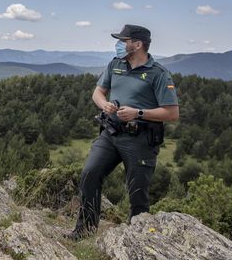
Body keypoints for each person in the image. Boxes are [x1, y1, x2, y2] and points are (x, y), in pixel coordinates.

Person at [67, 24, 180, 240]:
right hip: (111, 133)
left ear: (137, 45)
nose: (119, 44)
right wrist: (104, 105)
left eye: (123, 40)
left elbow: (172, 113)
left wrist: (138, 113)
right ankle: (85, 231)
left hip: (141, 140)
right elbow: (98, 93)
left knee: (137, 193)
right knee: (90, 174)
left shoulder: (159, 74)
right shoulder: (115, 64)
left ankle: (138, 242)